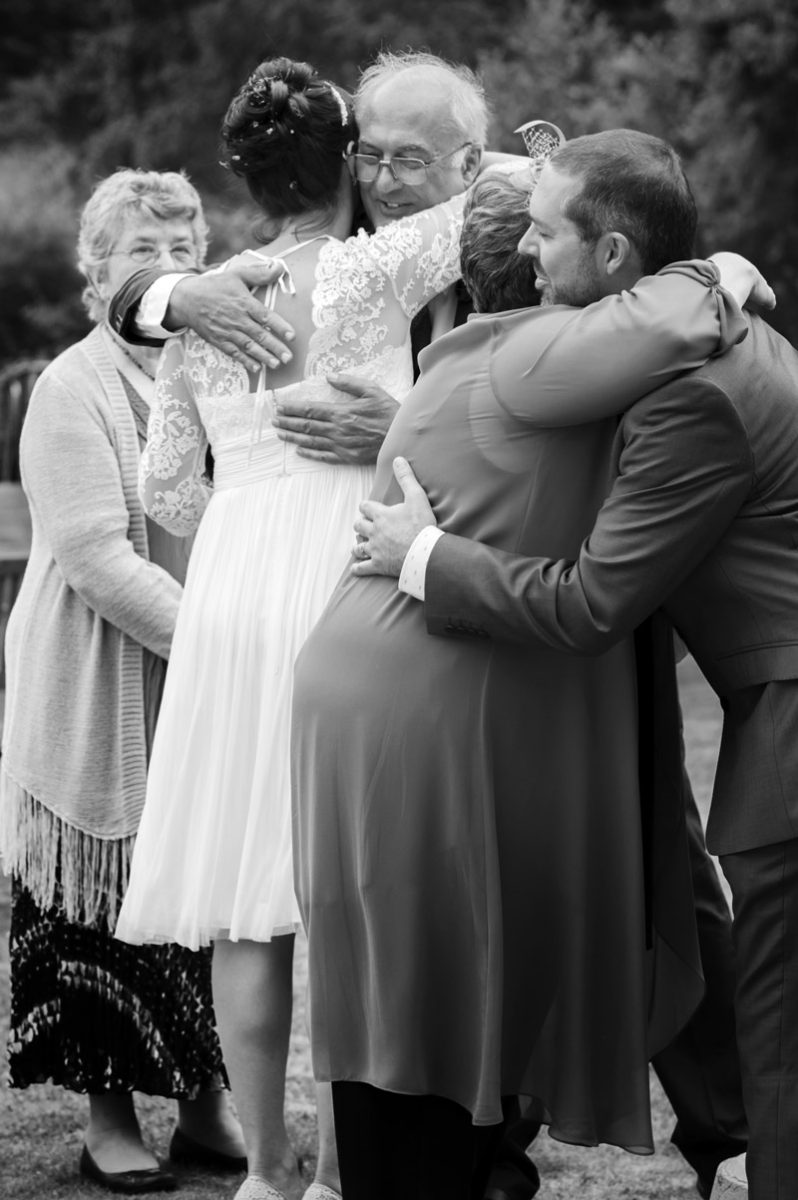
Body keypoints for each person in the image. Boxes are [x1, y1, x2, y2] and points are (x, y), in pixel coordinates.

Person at [290, 160, 765, 1200]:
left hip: (390, 681)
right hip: (424, 688)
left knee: (430, 984)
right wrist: (720, 268)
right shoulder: (537, 352)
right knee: (437, 991)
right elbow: (676, 312)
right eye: (543, 236)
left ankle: (472, 1168)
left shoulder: (468, 358)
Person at [113, 56, 518, 1200]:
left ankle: (267, 1173)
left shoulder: (208, 304)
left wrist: (245, 468)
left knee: (249, 900)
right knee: (339, 883)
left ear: (241, 176)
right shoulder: (367, 271)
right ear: (342, 158)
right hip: (340, 575)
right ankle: (348, 1166)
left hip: (232, 591)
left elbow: (168, 499)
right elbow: (508, 203)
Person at [0, 169, 246, 1195]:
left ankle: (205, 1105)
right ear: (96, 267)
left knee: (207, 898)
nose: (171, 266)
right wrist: (222, 642)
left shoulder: (226, 372)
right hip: (102, 681)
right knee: (99, 905)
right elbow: (98, 556)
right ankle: (108, 1113)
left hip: (204, 679)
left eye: (187, 247)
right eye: (145, 248)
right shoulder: (72, 386)